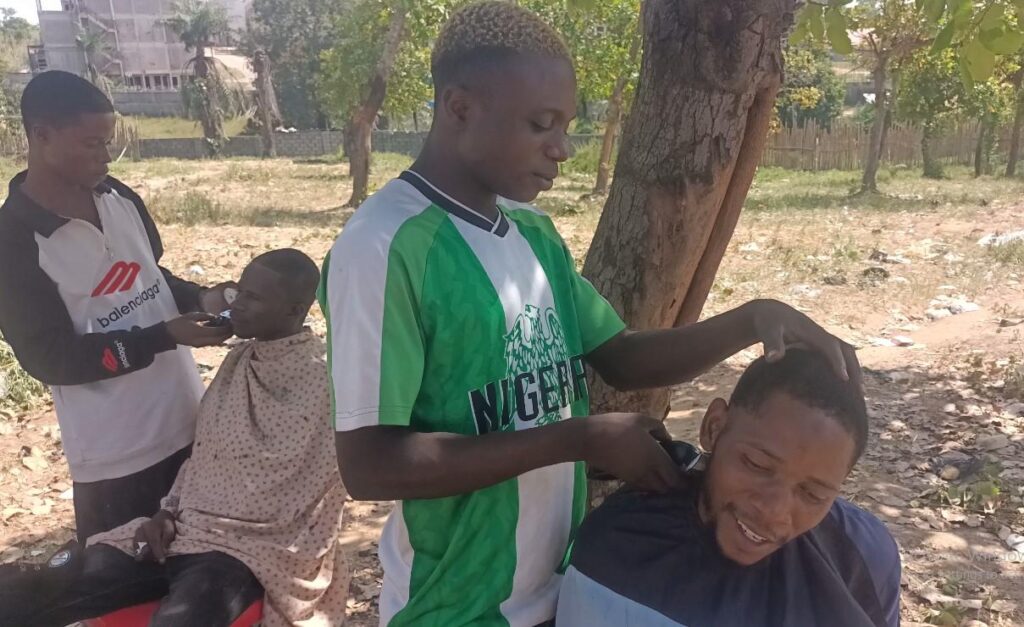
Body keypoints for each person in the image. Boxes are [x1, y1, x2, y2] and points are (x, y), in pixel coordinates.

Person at [319, 3, 862, 626]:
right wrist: (578, 438)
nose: (563, 149)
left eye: (566, 125)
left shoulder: (532, 234)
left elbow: (622, 357)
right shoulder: (384, 248)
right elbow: (368, 464)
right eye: (542, 124)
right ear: (460, 108)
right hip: (456, 606)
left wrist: (752, 319)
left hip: (560, 588)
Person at [0, 249, 349, 627]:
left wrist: (231, 528)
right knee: (46, 586)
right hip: (186, 530)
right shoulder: (238, 362)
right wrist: (168, 511)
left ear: (294, 310)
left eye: (254, 298)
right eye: (240, 292)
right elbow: (207, 456)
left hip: (257, 549)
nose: (237, 305)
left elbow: (318, 492)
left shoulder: (323, 382)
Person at [0, 70, 236, 542]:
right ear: (41, 135)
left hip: (190, 425)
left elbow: (152, 277)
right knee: (128, 592)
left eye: (109, 142)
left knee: (205, 572)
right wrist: (163, 336)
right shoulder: (14, 242)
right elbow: (52, 359)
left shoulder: (119, 197)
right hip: (117, 456)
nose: (106, 156)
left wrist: (204, 297)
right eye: (92, 144)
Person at [556, 349, 901, 627]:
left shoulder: (860, 555)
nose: (773, 512)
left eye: (813, 494)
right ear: (714, 427)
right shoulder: (625, 544)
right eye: (757, 465)